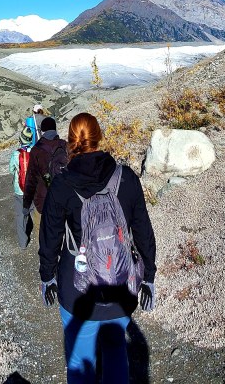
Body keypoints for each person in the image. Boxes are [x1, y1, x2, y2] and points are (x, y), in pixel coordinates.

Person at [38, 112, 156, 384]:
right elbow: (143, 231)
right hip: (121, 285)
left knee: (80, 361)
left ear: (70, 141)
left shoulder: (61, 185)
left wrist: (47, 276)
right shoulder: (126, 178)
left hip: (77, 289)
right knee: (116, 350)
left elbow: (50, 238)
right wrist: (149, 276)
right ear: (99, 137)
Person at [22, 116, 68, 227]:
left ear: (42, 131)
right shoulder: (65, 145)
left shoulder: (36, 150)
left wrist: (26, 205)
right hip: (64, 200)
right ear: (55, 130)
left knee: (43, 232)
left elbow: (30, 180)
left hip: (44, 202)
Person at [9, 126, 34, 249]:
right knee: (35, 213)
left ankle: (23, 243)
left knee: (20, 216)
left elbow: (11, 170)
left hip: (19, 189)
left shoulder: (16, 154)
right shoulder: (35, 152)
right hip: (33, 188)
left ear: (21, 139)